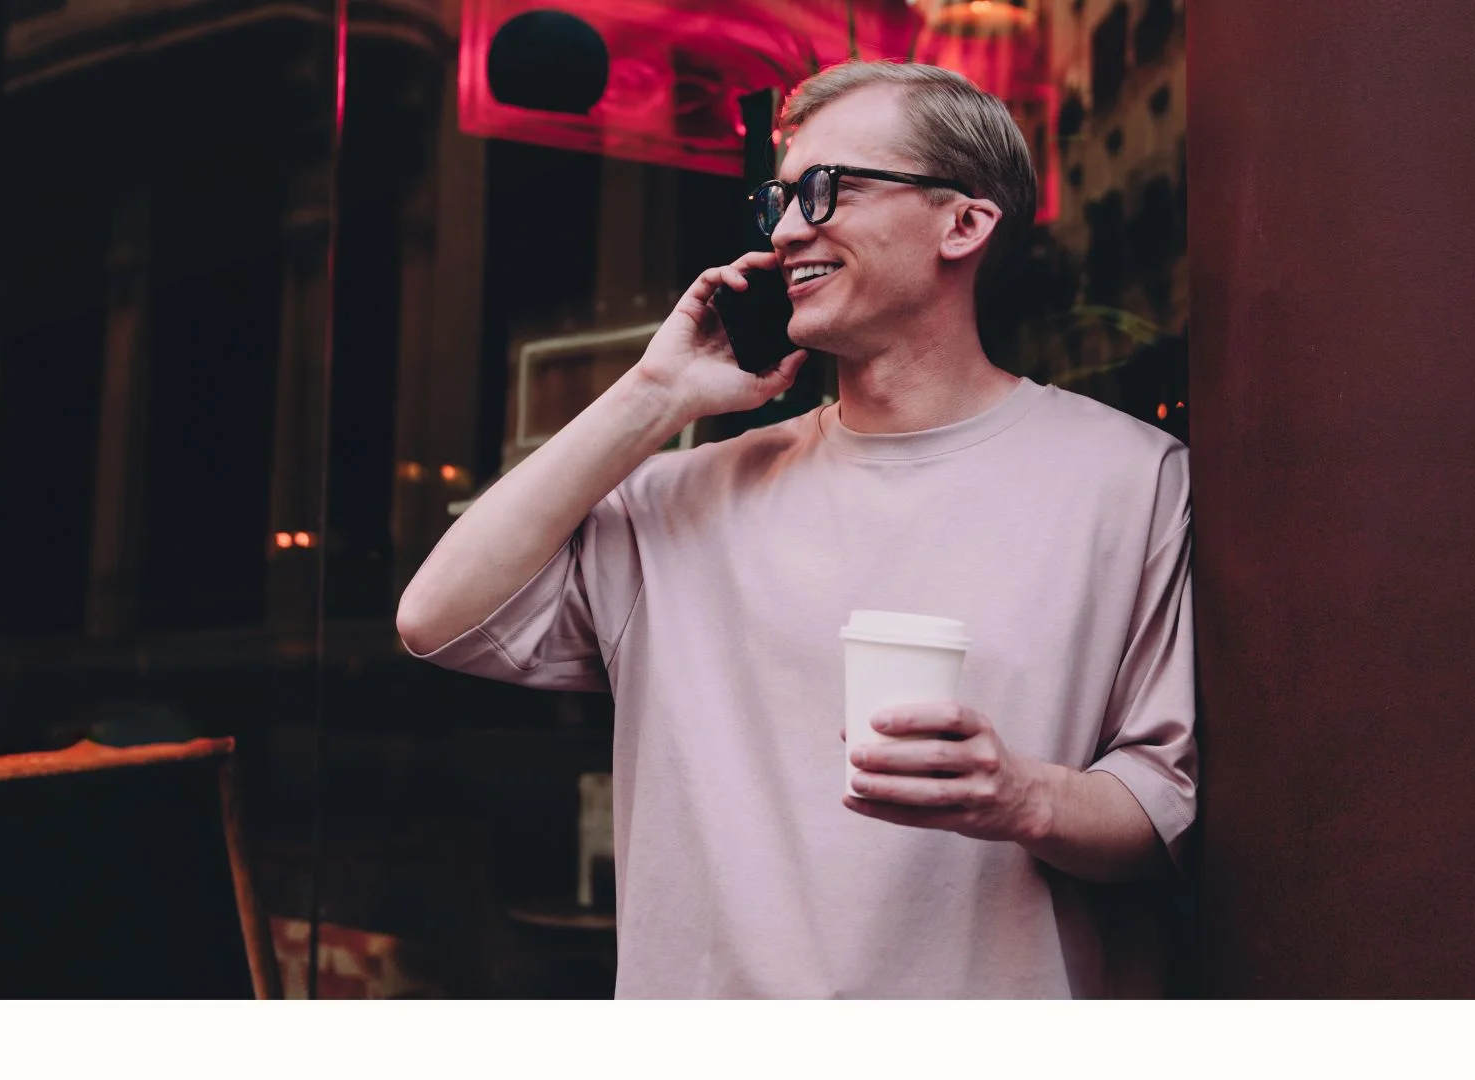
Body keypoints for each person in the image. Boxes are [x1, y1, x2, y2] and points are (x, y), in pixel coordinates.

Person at [397, 61, 1198, 998]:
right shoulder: (683, 495)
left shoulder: (1128, 478)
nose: (784, 231)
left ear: (965, 222)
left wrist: (1018, 794)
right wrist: (656, 396)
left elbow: (1162, 807)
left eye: (829, 189)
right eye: (778, 200)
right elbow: (436, 618)